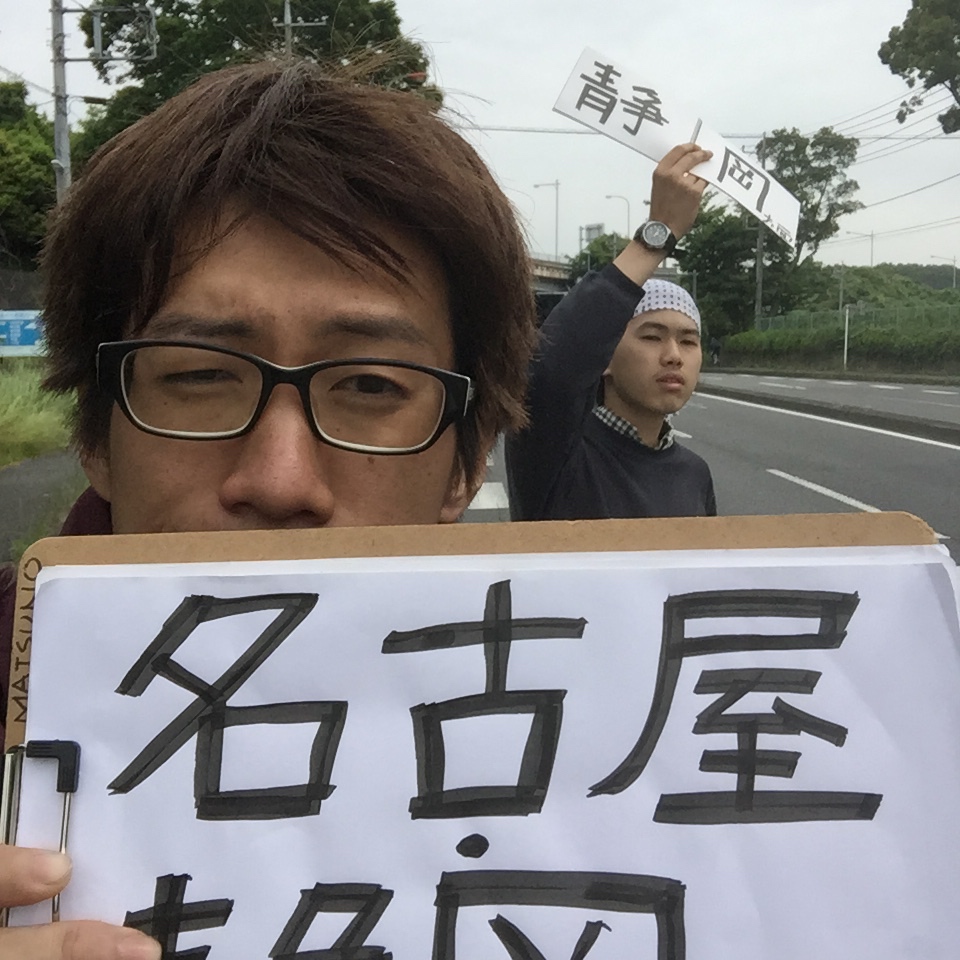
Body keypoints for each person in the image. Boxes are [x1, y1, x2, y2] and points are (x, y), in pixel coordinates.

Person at [0, 57, 537, 959]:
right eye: (199, 377)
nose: (281, 479)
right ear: (94, 434)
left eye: (371, 384)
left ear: (467, 461)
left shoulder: (620, 764)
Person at [506, 144, 717, 522]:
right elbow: (549, 371)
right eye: (651, 336)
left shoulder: (695, 474)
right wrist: (659, 233)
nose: (673, 355)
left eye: (688, 340)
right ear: (603, 357)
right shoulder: (556, 451)